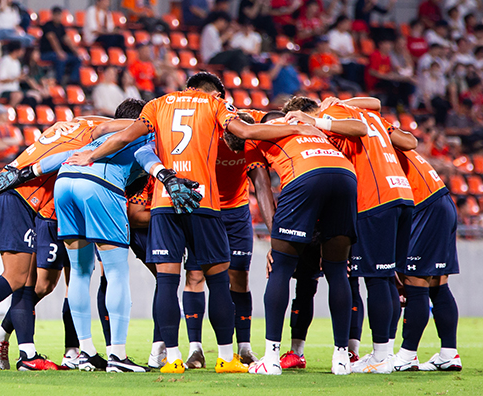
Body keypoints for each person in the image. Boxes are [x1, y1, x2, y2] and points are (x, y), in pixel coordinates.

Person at [64, 71, 322, 373]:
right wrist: (298, 127)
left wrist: (91, 156)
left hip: (165, 201)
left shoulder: (158, 104)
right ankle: (226, 357)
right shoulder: (214, 105)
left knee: (167, 281)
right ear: (214, 94)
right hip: (202, 200)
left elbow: (124, 136)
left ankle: (172, 359)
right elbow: (246, 131)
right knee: (218, 279)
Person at [0, 100, 178, 372]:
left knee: (79, 272)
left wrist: (27, 172)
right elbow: (144, 156)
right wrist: (164, 175)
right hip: (99, 185)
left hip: (64, 183)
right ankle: (117, 356)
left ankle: (86, 353)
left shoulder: (101, 135)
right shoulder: (149, 132)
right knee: (116, 272)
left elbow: (67, 155)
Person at [0, 113, 113, 373]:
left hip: (21, 198)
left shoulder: (69, 127)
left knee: (27, 281)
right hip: (18, 197)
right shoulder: (86, 140)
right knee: (16, 277)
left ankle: (27, 355)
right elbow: (62, 157)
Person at [282, 96, 415, 374]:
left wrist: (316, 119)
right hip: (401, 194)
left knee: (376, 279)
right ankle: (386, 353)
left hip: (375, 198)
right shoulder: (364, 112)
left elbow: (357, 128)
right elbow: (377, 104)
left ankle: (380, 357)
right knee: (386, 278)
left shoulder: (333, 114)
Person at [242, 98, 366, 376]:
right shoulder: (313, 130)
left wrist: (276, 240)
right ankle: (342, 359)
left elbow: (262, 188)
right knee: (337, 271)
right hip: (346, 176)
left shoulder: (261, 134)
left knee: (281, 268)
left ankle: (271, 358)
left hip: (305, 174)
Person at [179, 110, 274, 368]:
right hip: (206, 210)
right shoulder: (209, 133)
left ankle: (244, 347)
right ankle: (195, 349)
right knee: (195, 276)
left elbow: (261, 184)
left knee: (239, 277)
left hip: (237, 213)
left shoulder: (253, 133)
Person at [392, 146, 462, 371]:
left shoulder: (374, 146)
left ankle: (407, 356)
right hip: (441, 200)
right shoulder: (394, 143)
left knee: (416, 284)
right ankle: (449, 354)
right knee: (438, 285)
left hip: (425, 206)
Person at [39, 6, 82, 84]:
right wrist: (59, 52)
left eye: (59, 15)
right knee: (60, 59)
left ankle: (73, 80)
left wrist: (75, 51)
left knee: (77, 59)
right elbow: (52, 39)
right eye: (56, 15)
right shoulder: (47, 25)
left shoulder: (61, 26)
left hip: (58, 53)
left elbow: (66, 39)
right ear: (52, 15)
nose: (58, 17)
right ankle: (59, 81)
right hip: (46, 53)